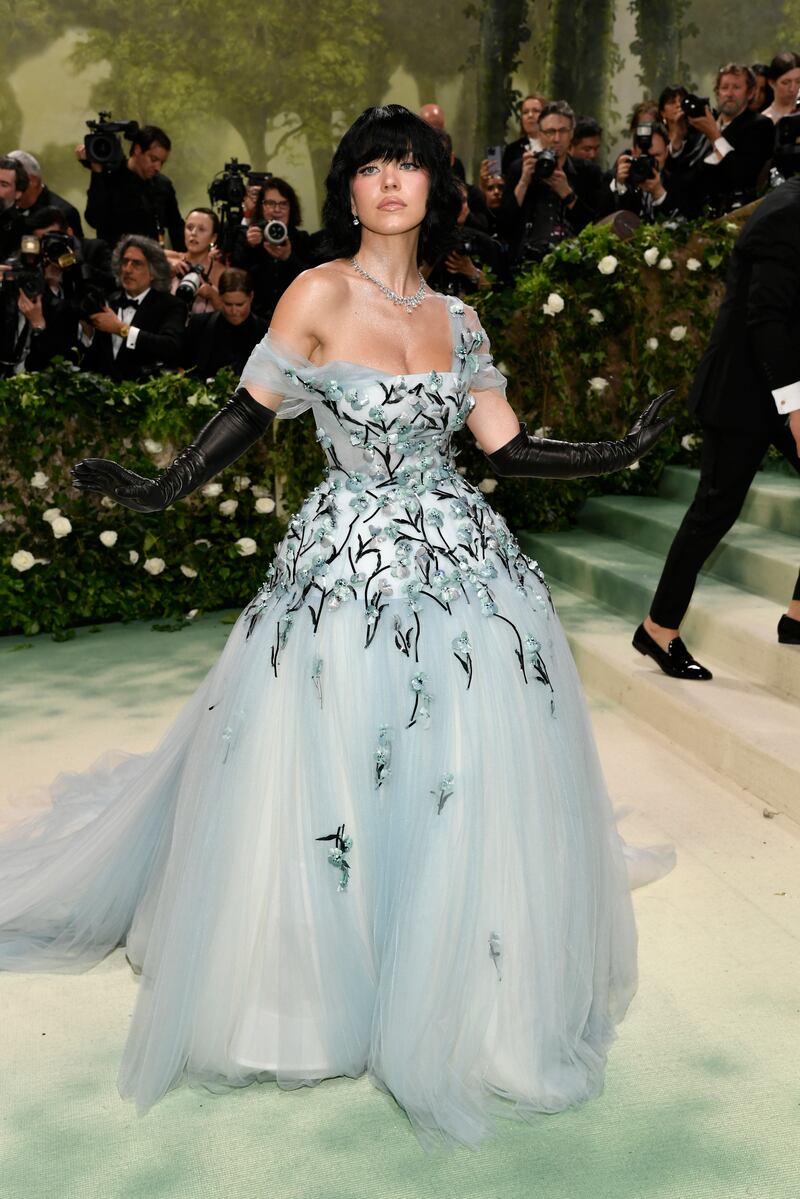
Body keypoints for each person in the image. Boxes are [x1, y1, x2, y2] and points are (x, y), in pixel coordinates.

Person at [0, 104, 673, 1148]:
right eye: (371, 166)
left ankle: (458, 990)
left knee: (460, 769)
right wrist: (162, 485)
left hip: (463, 576)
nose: (391, 181)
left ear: (434, 186)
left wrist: (612, 454)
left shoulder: (459, 319)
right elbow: (248, 408)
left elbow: (502, 446)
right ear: (348, 189)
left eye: (409, 164)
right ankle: (311, 998)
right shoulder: (315, 292)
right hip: (341, 579)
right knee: (322, 768)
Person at [634, 175, 800, 679]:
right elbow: (767, 317)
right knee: (714, 510)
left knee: (715, 510)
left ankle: (798, 616)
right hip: (745, 393)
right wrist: (796, 406)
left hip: (781, 388)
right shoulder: (788, 212)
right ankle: (658, 629)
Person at [499, 100, 605, 264]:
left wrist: (566, 193)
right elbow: (504, 224)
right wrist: (524, 181)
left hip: (574, 263)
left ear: (571, 134)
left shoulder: (588, 172)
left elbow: (596, 226)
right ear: (540, 134)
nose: (556, 138)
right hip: (525, 263)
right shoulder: (520, 169)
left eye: (562, 131)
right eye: (550, 131)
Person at [80, 234, 185, 381]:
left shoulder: (171, 305)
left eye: (136, 263)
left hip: (146, 394)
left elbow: (170, 347)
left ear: (153, 272)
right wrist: (87, 333)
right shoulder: (109, 301)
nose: (128, 269)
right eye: (125, 262)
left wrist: (121, 329)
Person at [685, 64, 774, 217]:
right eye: (724, 87)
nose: (729, 94)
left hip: (737, 215)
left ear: (750, 92)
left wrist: (714, 135)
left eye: (736, 87)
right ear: (717, 93)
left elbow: (742, 174)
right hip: (699, 216)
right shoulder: (703, 124)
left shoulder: (759, 125)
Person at [79, 125, 184, 252]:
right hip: (114, 263)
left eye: (161, 162)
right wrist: (97, 172)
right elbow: (94, 219)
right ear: (137, 150)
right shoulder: (110, 178)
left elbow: (176, 228)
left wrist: (185, 262)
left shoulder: (163, 185)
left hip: (150, 264)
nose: (158, 167)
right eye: (153, 159)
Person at [230, 178, 313, 321]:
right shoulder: (247, 236)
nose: (276, 210)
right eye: (270, 203)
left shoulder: (302, 239)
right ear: (261, 207)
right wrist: (249, 247)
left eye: (283, 204)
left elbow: (312, 283)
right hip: (254, 322)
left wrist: (289, 258)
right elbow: (235, 279)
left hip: (295, 319)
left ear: (291, 208)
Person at [182, 267, 267, 377]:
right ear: (220, 297)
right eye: (228, 304)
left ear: (251, 297)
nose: (234, 311)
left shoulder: (266, 332)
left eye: (240, 305)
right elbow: (184, 366)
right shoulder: (199, 325)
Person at [6, 150, 84, 240]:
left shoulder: (65, 212)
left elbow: (77, 251)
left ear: (33, 181)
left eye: (13, 180)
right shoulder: (5, 207)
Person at [166, 207, 224, 315]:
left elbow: (233, 314)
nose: (193, 233)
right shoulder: (166, 258)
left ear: (213, 238)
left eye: (201, 229)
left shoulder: (221, 273)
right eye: (189, 227)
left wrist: (213, 296)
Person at [502, 93, 546, 176]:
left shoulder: (555, 145)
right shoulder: (512, 150)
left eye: (536, 111)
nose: (530, 115)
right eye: (525, 112)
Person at [761, 51, 800, 123]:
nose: (792, 88)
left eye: (798, 81)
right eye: (785, 83)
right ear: (772, 83)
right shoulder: (765, 120)